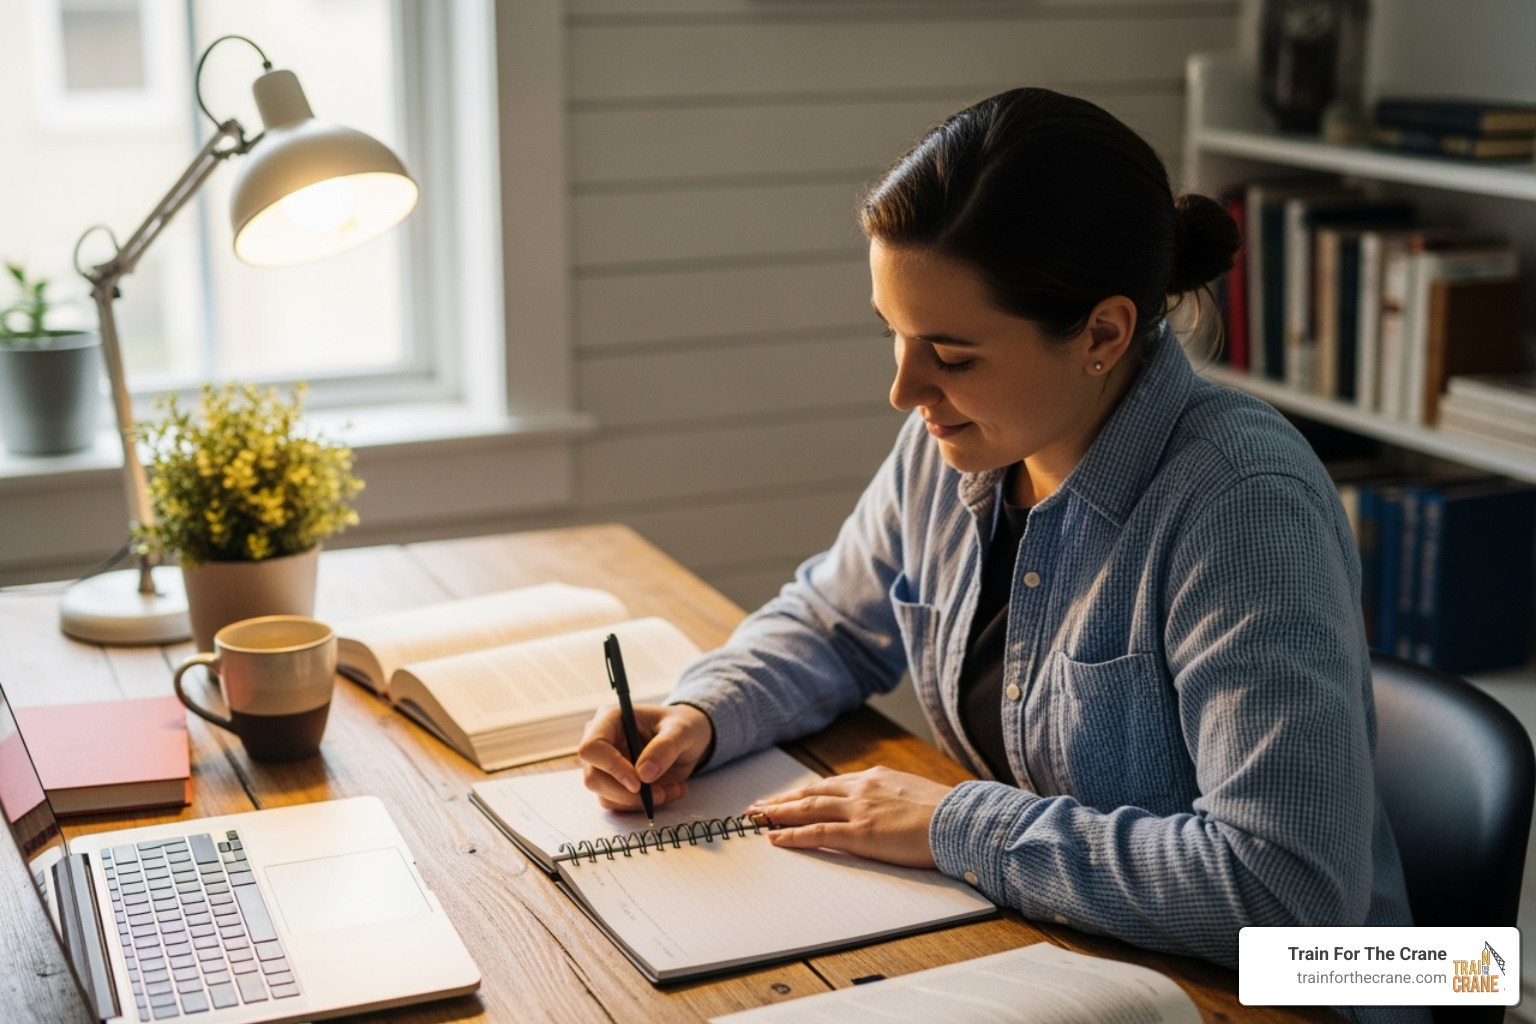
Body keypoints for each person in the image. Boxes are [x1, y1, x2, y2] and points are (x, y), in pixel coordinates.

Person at [577, 87, 1423, 1023]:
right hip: (1068, 957)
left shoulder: (1242, 510)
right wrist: (705, 709)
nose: (905, 389)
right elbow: (832, 620)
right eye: (893, 334)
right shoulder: (959, 437)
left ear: (1102, 333)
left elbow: (1289, 895)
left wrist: (955, 825)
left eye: (950, 351)